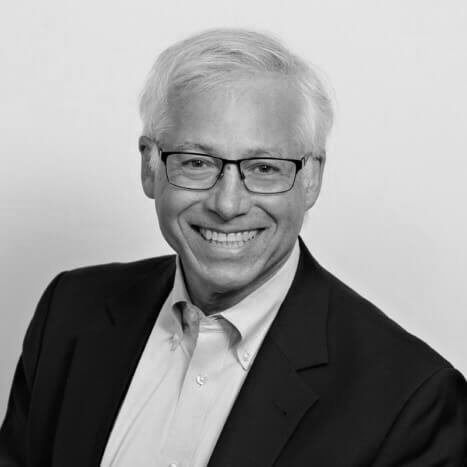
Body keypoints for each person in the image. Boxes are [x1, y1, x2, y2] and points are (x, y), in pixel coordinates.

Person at [1, 28, 466, 467]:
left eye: (264, 168)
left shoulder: (412, 402)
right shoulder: (70, 314)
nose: (227, 204)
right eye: (197, 162)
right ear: (149, 167)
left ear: (311, 179)